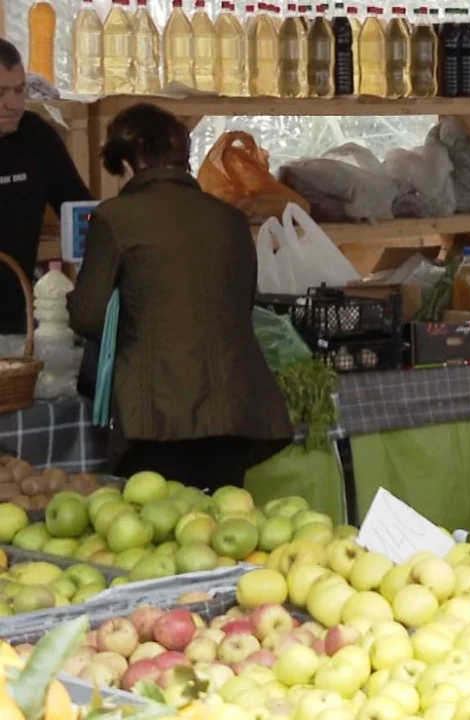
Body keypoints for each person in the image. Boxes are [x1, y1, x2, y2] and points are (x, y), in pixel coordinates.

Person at [67, 103, 293, 491]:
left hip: (157, 416)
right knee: (219, 527)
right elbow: (241, 303)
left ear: (126, 165)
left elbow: (88, 316)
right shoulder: (231, 219)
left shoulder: (115, 217)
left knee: (162, 539)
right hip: (235, 410)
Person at [0, 39, 94, 335]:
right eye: (0, 93)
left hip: (19, 314)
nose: (13, 104)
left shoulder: (37, 136)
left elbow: (80, 208)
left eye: (19, 91)